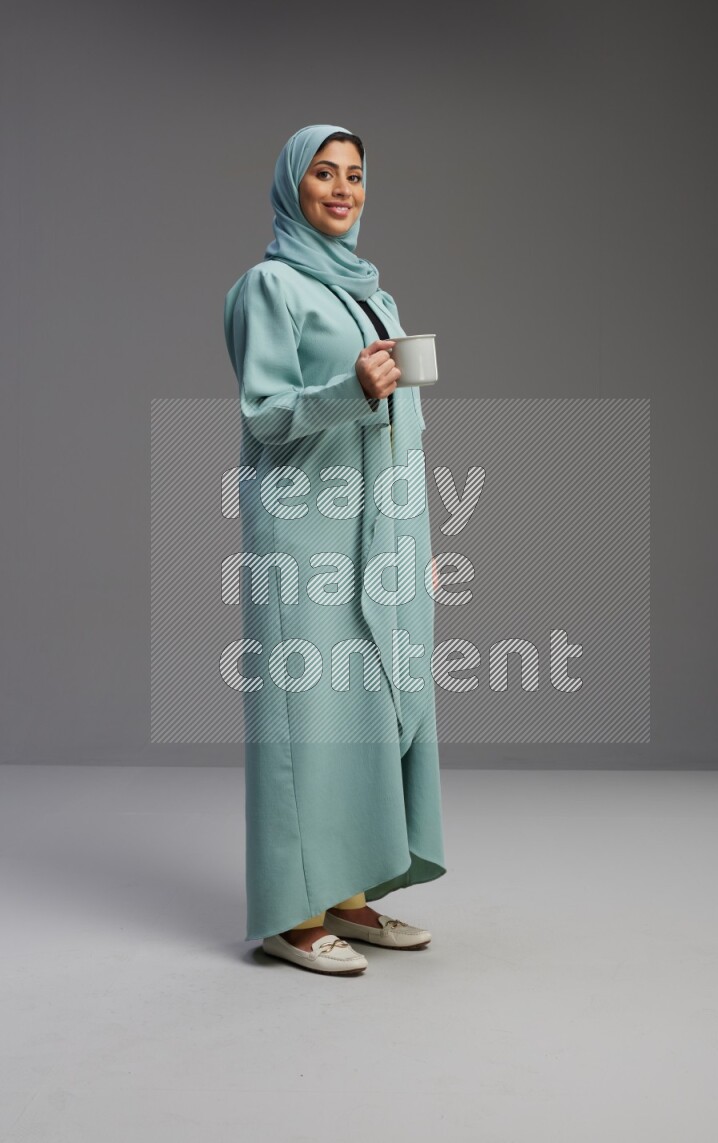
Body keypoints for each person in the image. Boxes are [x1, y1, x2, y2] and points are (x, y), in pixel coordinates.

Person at [223, 124, 446, 976]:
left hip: (377, 534)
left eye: (355, 175)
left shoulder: (375, 296)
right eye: (325, 173)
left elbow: (406, 432)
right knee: (307, 725)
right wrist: (348, 387)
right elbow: (266, 415)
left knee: (367, 711)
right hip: (303, 536)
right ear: (293, 184)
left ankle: (349, 898)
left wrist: (417, 534)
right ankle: (291, 912)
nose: (343, 189)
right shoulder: (267, 288)